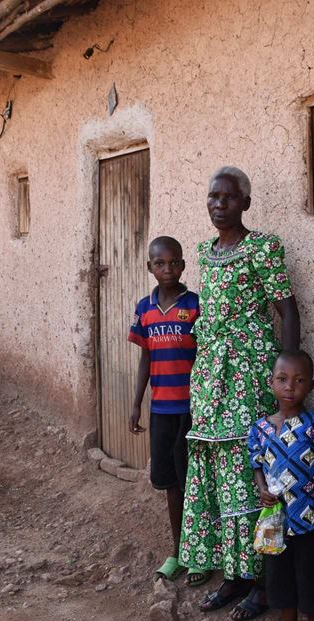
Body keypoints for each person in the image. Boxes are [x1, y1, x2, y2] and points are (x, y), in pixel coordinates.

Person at [179, 166, 301, 621]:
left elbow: (287, 310)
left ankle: (264, 581)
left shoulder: (262, 248)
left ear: (245, 204)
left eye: (229, 198)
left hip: (249, 373)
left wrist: (288, 378)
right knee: (216, 470)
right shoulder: (203, 253)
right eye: (213, 196)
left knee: (254, 472)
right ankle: (234, 572)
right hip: (210, 375)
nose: (219, 204)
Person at [248, 351, 314, 621]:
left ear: (311, 386)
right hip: (276, 523)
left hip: (311, 521)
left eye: (299, 381)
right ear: (271, 382)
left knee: (311, 579)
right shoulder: (261, 429)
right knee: (281, 581)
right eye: (283, 380)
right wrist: (261, 489)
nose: (290, 387)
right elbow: (256, 464)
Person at [128, 236, 200, 582]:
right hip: (162, 411)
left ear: (184, 266)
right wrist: (136, 404)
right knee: (171, 484)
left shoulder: (195, 306)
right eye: (160, 263)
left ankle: (200, 553)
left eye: (174, 263)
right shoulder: (145, 308)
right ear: (150, 268)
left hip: (194, 411)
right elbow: (146, 358)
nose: (167, 269)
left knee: (195, 483)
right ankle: (178, 551)